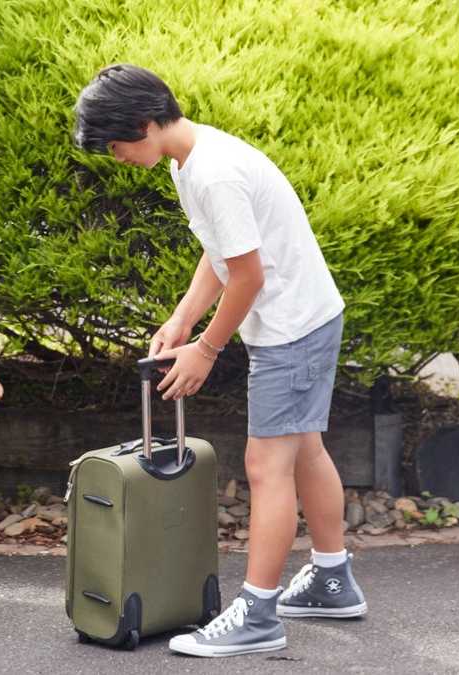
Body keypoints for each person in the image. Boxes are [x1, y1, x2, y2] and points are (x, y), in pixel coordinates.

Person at [72, 64, 366, 658]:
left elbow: (250, 276)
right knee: (303, 448)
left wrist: (205, 348)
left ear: (147, 123)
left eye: (116, 144)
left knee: (267, 464)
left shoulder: (213, 172)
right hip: (303, 318)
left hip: (291, 328)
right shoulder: (190, 161)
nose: (117, 157)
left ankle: (258, 614)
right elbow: (222, 253)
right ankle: (333, 580)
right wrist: (182, 319)